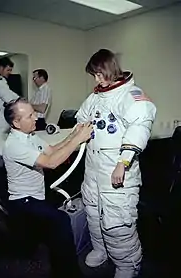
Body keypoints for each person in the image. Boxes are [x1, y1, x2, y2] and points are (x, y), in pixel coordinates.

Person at [76, 49, 156, 278]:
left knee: (117, 221)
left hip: (117, 169)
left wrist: (123, 162)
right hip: (93, 168)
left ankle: (129, 264)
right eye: (94, 75)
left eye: (99, 74)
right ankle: (101, 250)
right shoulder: (96, 96)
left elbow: (140, 127)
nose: (96, 79)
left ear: (109, 69)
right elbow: (82, 118)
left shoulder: (132, 95)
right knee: (93, 212)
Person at [2, 98, 93, 278]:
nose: (36, 117)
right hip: (23, 202)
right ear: (16, 123)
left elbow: (51, 150)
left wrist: (74, 135)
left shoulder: (30, 136)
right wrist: (79, 140)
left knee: (30, 242)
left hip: (36, 196)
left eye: (33, 113)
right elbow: (51, 162)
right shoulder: (14, 144)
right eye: (30, 115)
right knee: (60, 221)